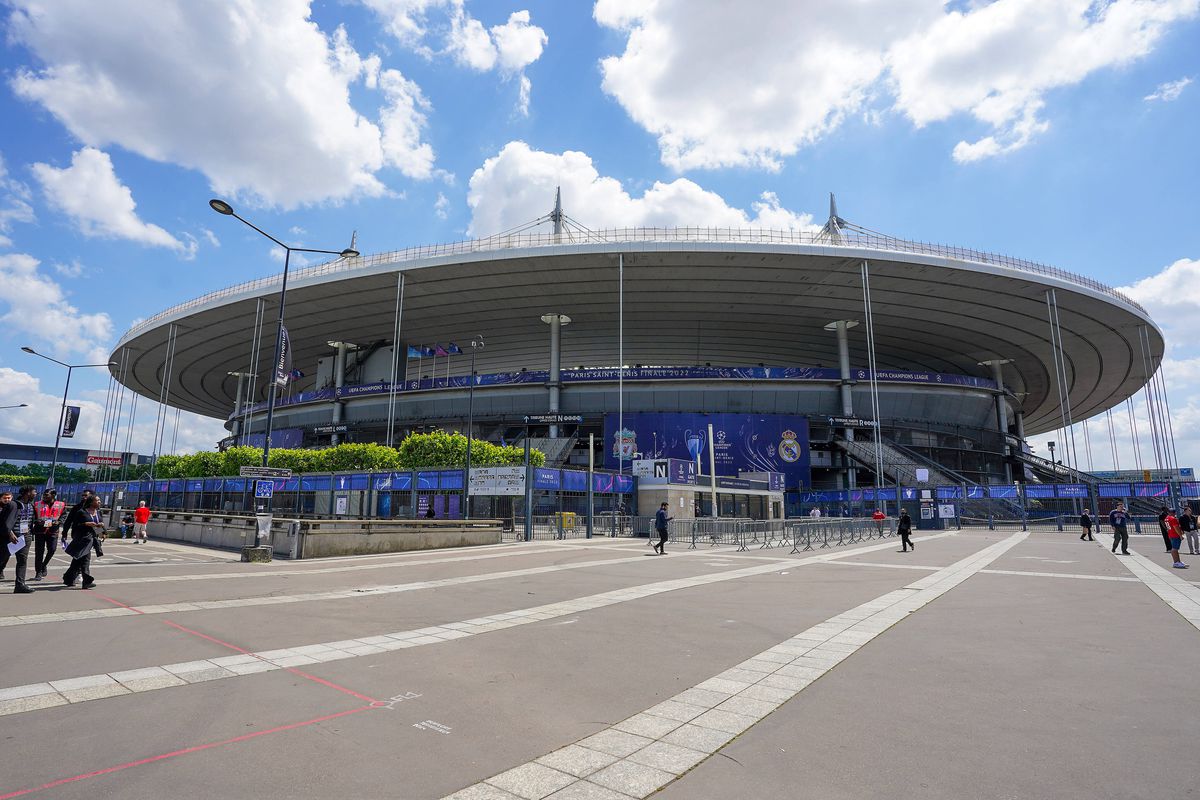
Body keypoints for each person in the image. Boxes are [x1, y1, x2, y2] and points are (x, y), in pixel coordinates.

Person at [63, 494, 104, 589]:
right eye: (97, 500)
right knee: (85, 560)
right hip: (82, 539)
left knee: (78, 560)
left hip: (92, 538)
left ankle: (68, 578)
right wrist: (86, 524)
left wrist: (102, 531)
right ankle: (86, 581)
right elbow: (75, 526)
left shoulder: (98, 512)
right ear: (91, 502)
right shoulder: (81, 512)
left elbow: (99, 525)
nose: (99, 502)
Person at [1, 486, 37, 593]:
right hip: (10, 538)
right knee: (2, 559)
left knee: (22, 561)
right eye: (33, 492)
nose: (35, 494)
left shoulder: (30, 505)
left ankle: (20, 585)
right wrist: (10, 533)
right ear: (27, 493)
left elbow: (30, 521)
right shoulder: (13, 504)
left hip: (24, 537)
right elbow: (3, 520)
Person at [33, 488, 65, 581]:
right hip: (40, 530)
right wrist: (37, 521)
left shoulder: (61, 504)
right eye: (44, 494)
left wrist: (59, 521)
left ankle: (44, 565)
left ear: (53, 495)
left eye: (47, 494)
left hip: (53, 531)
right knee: (39, 552)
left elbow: (63, 515)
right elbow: (34, 516)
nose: (44, 496)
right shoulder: (37, 504)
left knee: (52, 549)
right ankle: (38, 572)